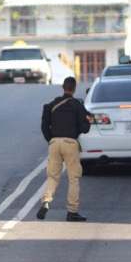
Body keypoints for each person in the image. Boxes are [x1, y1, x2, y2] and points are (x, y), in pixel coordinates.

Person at [37, 76, 91, 222]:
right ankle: (72, 211)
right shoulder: (77, 105)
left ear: (63, 87)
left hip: (54, 143)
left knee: (53, 176)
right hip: (70, 143)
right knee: (73, 178)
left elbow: (44, 125)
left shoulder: (51, 104)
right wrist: (88, 122)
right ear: (74, 89)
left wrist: (51, 139)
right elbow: (84, 128)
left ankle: (46, 201)